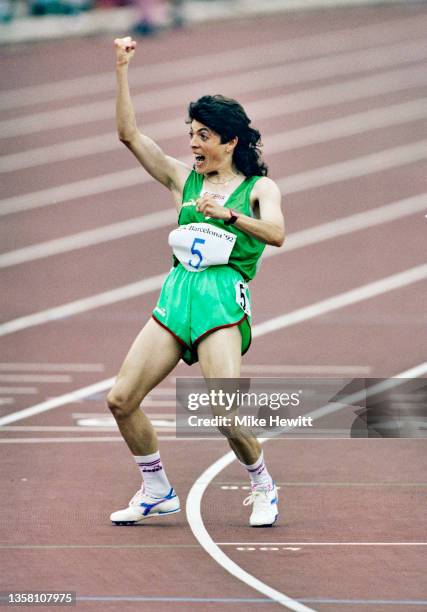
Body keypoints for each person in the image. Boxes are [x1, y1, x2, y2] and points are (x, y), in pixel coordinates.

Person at [108, 36, 285, 527]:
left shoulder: (258, 188)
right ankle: (156, 488)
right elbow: (130, 135)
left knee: (225, 415)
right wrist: (121, 70)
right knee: (121, 399)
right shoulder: (180, 179)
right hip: (176, 297)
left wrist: (229, 215)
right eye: (191, 133)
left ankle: (263, 484)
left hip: (220, 304)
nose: (193, 144)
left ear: (230, 142)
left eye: (204, 135)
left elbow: (277, 234)